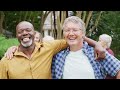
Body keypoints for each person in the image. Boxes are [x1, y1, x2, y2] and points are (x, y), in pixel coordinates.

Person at [1, 21, 105, 79]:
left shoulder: (48, 47)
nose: (24, 33)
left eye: (28, 30)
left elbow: (73, 38)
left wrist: (97, 44)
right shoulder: (6, 61)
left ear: (34, 33)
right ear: (16, 35)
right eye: (20, 31)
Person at [51, 16, 120, 79]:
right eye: (67, 30)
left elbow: (118, 69)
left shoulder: (96, 52)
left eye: (75, 30)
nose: (71, 33)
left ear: (83, 33)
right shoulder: (58, 57)